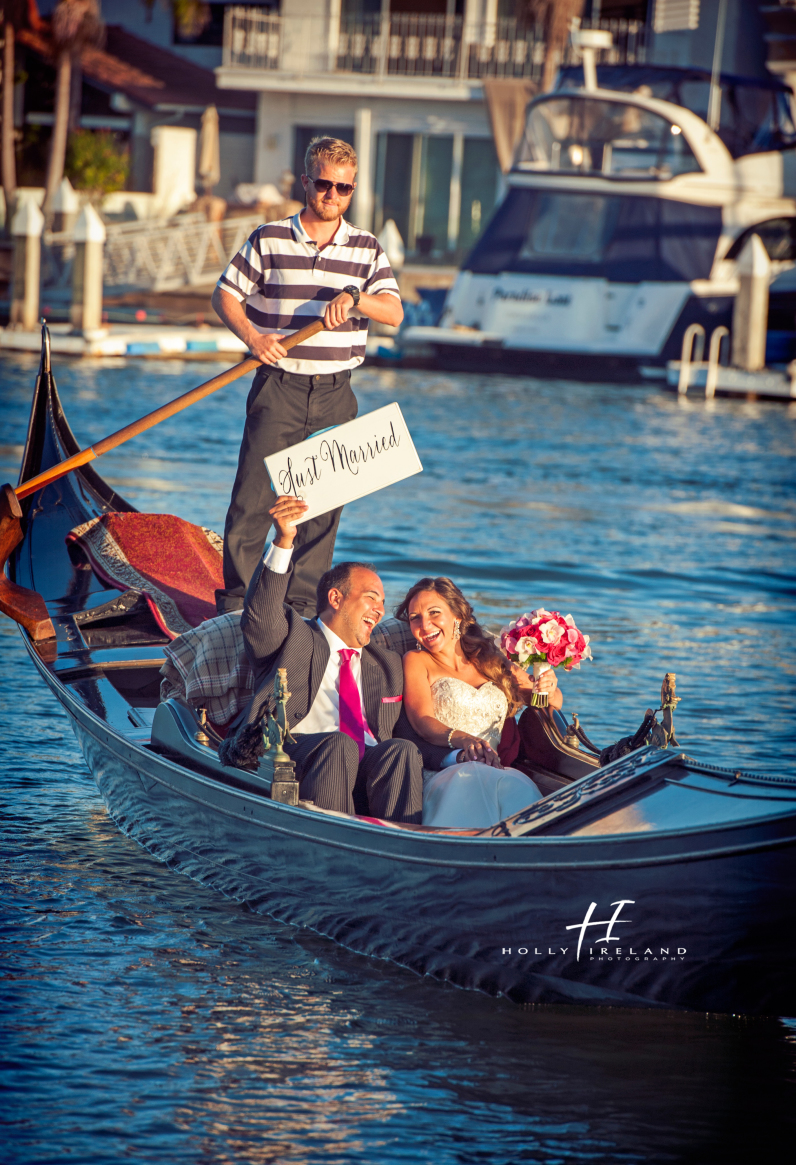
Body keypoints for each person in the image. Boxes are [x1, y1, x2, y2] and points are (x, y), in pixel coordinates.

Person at [212, 136, 404, 618]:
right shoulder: (269, 238)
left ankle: (297, 611)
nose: (332, 195)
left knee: (319, 512)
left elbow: (395, 312)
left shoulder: (366, 249)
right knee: (252, 503)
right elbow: (225, 296)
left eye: (343, 188)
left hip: (337, 393)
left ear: (352, 189)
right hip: (279, 386)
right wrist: (255, 339)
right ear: (306, 183)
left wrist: (356, 298)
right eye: (323, 184)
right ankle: (236, 608)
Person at [229, 496, 453, 821]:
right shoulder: (295, 636)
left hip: (367, 764)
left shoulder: (386, 664)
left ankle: (400, 848)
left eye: (383, 602)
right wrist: (283, 540)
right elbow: (260, 614)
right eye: (371, 598)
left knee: (401, 750)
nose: (380, 610)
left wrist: (457, 755)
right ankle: (332, 848)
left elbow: (407, 734)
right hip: (297, 755)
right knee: (339, 746)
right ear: (336, 598)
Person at [397, 577, 563, 829]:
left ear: (457, 616)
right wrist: (464, 739)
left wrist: (548, 687)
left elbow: (544, 701)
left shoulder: (491, 657)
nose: (424, 624)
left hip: (497, 770)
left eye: (434, 613)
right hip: (447, 773)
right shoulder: (416, 660)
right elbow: (422, 722)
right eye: (414, 618)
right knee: (472, 777)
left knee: (515, 786)